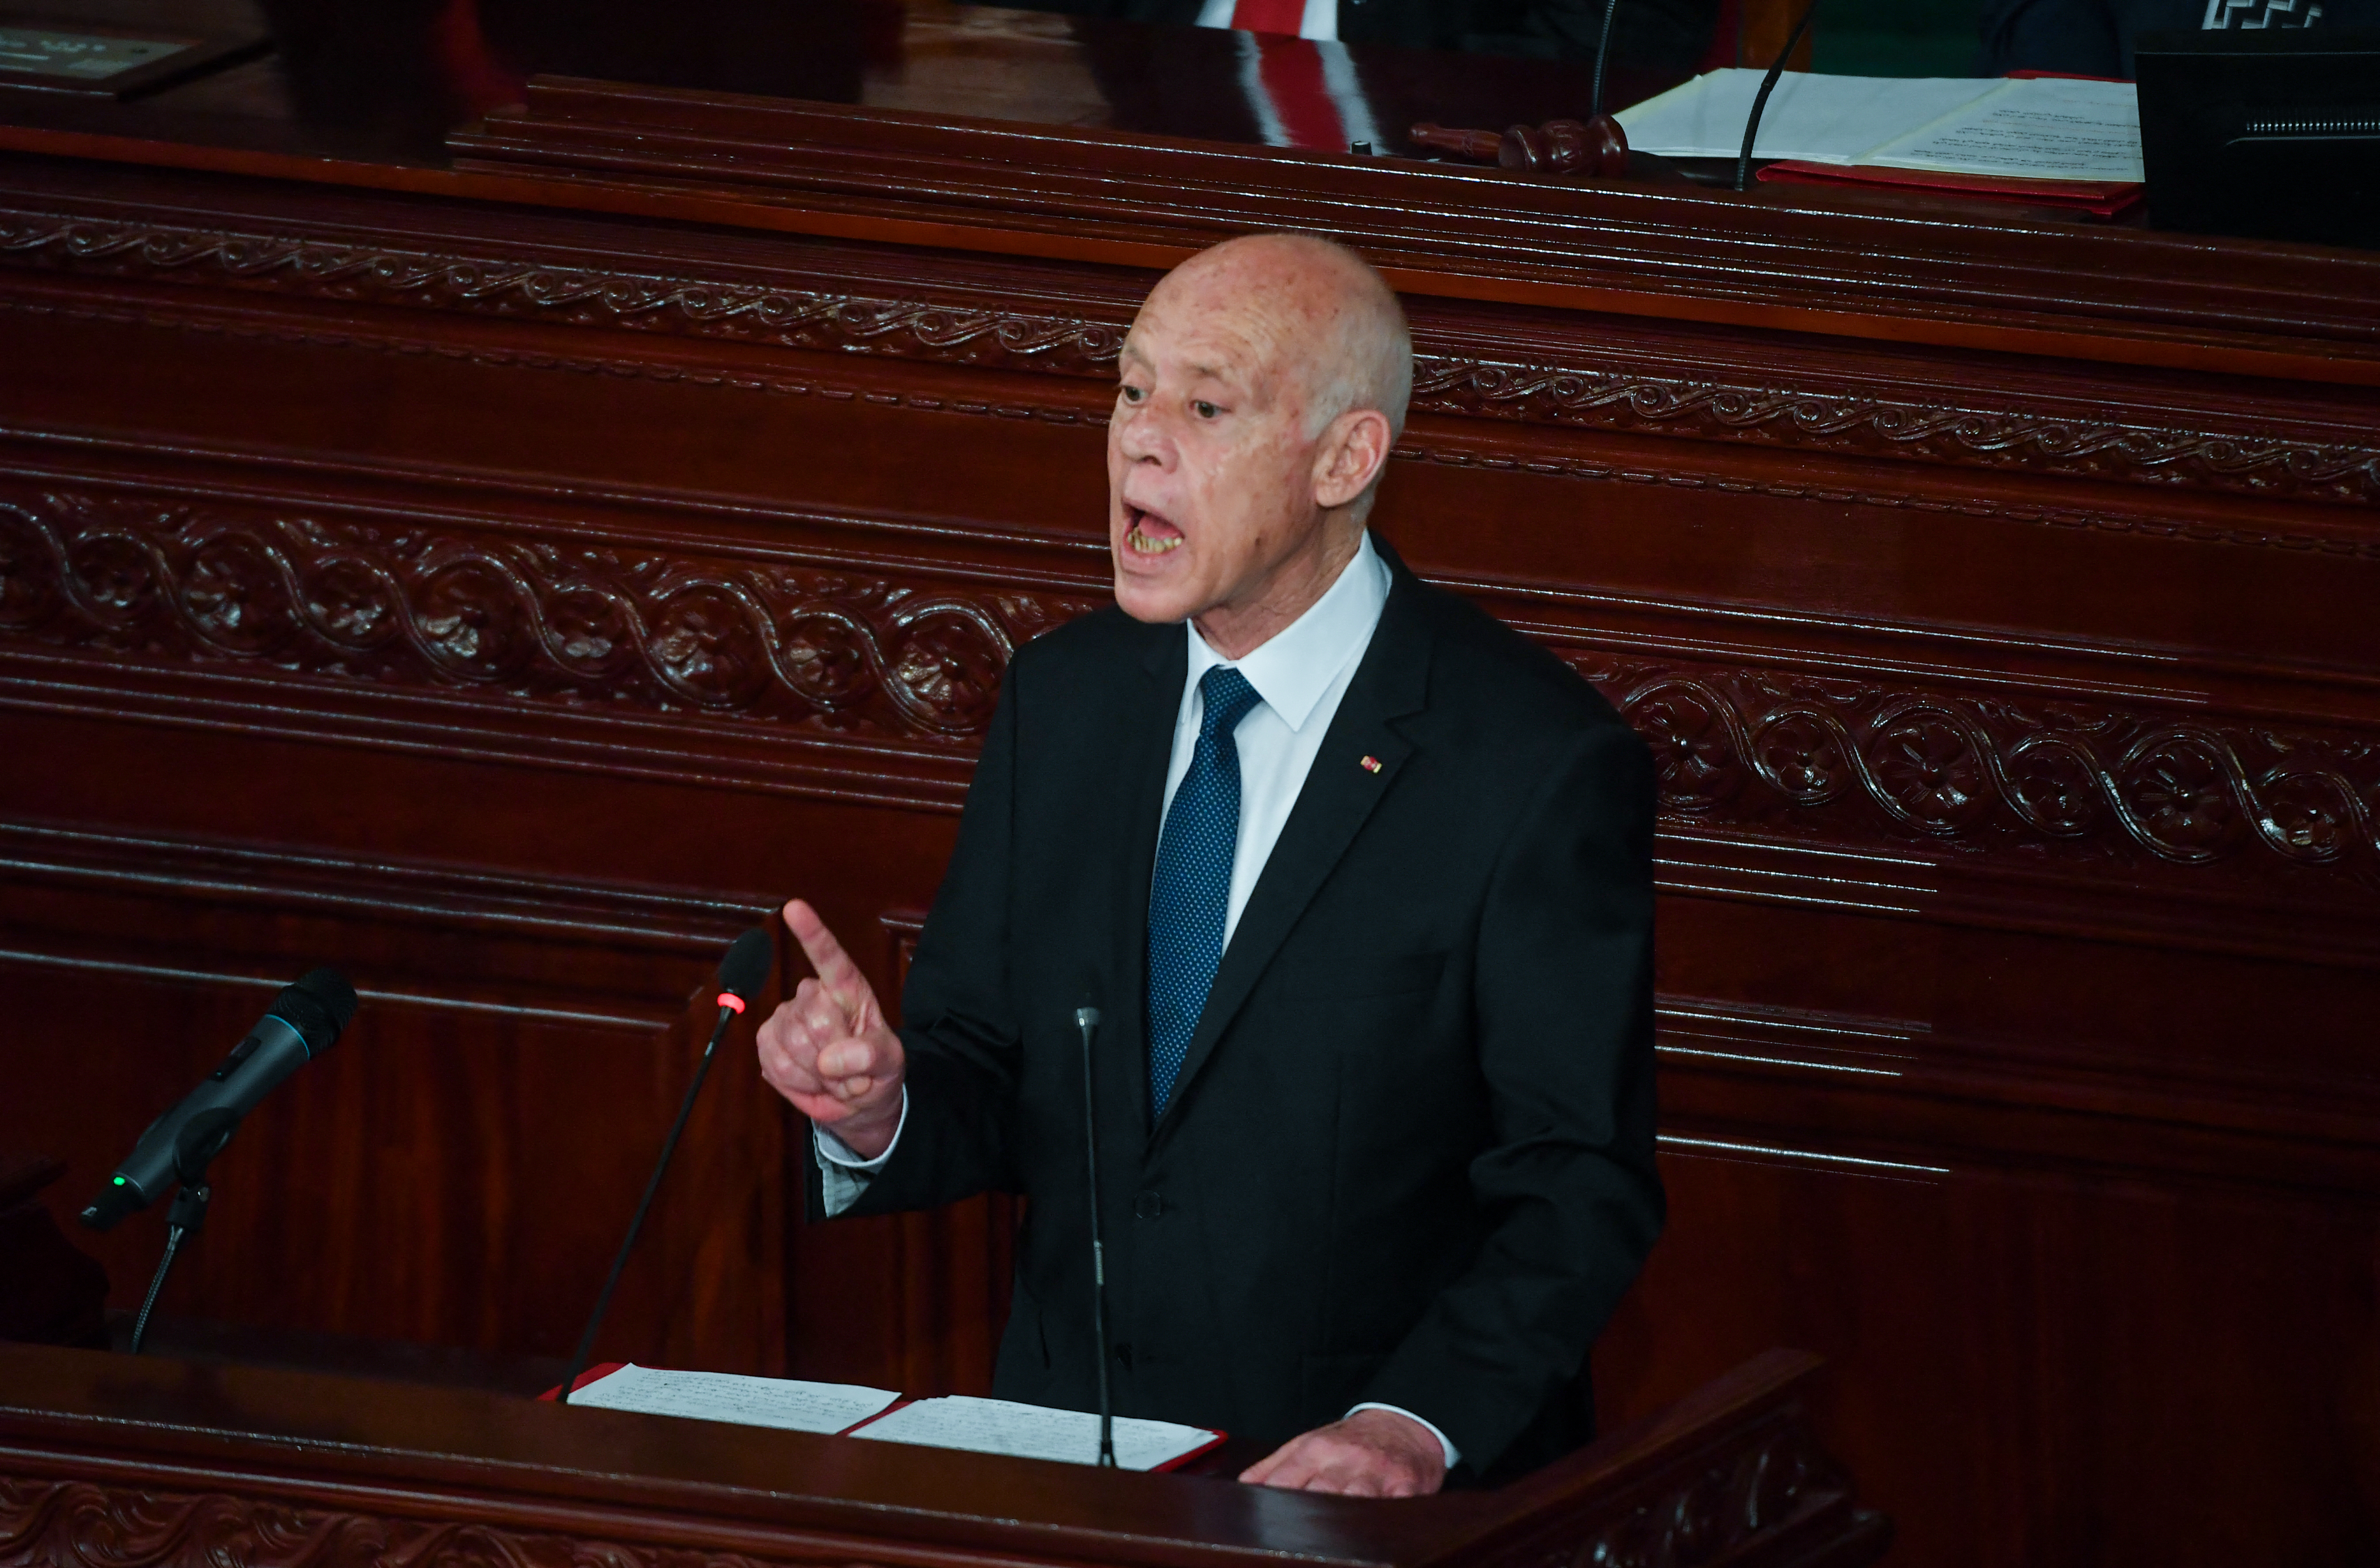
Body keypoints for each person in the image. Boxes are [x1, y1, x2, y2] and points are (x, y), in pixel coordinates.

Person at [756, 233, 1661, 1498]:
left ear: (1346, 458)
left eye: (1205, 404)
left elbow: (1578, 1185)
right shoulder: (1065, 701)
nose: (1139, 441)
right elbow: (989, 1068)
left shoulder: (1531, 761)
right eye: (1131, 391)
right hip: (1078, 1481)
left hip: (1358, 1498)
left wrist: (1409, 1426)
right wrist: (878, 1109)